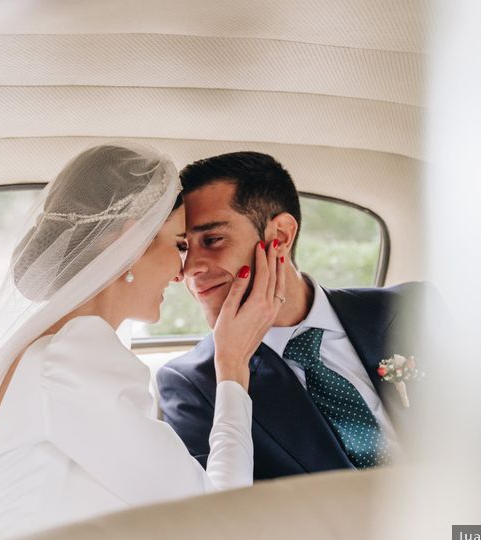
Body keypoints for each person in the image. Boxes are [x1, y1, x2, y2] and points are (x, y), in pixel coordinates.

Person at [0, 143, 286, 540]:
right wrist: (232, 364)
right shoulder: (73, 359)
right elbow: (220, 515)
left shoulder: (44, 352)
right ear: (131, 242)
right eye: (180, 244)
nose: (182, 273)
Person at [158, 151, 428, 480]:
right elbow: (221, 518)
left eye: (213, 240)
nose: (189, 270)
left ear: (281, 236)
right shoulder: (193, 386)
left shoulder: (411, 309)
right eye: (184, 247)